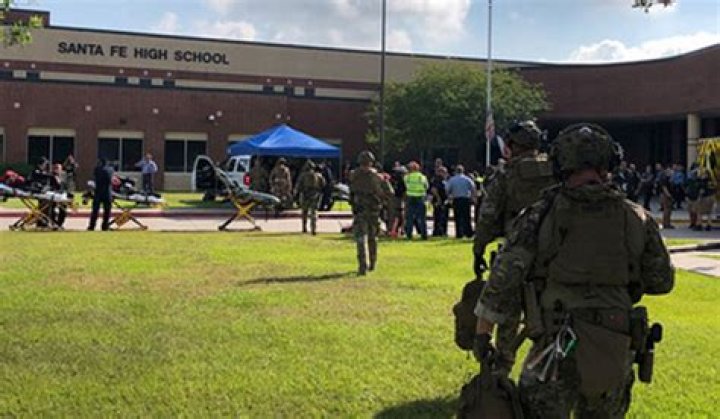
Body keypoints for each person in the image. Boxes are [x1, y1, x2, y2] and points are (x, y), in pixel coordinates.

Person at [473, 123, 674, 418]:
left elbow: (503, 281)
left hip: (555, 345)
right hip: (613, 344)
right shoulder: (636, 218)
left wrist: (483, 335)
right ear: (609, 165)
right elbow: (662, 281)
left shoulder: (540, 215)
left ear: (561, 165)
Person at [473, 120, 556, 372]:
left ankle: (501, 366)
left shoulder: (507, 173)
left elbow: (488, 216)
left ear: (511, 145)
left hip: (517, 251)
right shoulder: (556, 170)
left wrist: (478, 249)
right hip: (555, 255)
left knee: (506, 313)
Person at [349, 151, 387, 275]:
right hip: (373, 210)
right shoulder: (377, 176)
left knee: (360, 238)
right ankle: (372, 262)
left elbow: (351, 191)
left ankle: (362, 266)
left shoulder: (353, 175)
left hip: (360, 210)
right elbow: (388, 192)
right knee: (372, 237)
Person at [295, 160, 326, 235]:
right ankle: (313, 229)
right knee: (314, 212)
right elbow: (323, 184)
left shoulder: (303, 175)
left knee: (304, 212)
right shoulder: (318, 175)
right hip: (315, 195)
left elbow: (298, 186)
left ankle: (304, 228)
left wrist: (297, 193)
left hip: (305, 195)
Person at [445, 165, 476, 239]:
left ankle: (459, 233)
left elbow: (447, 189)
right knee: (467, 217)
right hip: (466, 199)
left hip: (457, 199)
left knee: (458, 217)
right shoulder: (467, 179)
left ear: (456, 171)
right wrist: (473, 197)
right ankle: (468, 233)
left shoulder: (452, 180)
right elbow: (473, 188)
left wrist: (449, 197)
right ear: (463, 171)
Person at [403, 161, 428, 240]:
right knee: (422, 217)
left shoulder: (407, 177)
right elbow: (426, 186)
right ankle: (424, 235)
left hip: (410, 197)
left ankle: (409, 235)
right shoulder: (422, 177)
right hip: (420, 197)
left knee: (409, 217)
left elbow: (406, 185)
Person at [88, 158, 114, 231]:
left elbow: (95, 178)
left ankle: (92, 226)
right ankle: (105, 226)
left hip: (98, 192)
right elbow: (110, 180)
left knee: (95, 210)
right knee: (107, 211)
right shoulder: (110, 170)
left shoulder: (97, 169)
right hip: (107, 192)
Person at [430, 166, 449, 237]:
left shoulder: (445, 180)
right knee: (438, 217)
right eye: (444, 172)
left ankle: (443, 232)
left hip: (444, 201)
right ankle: (438, 232)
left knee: (444, 217)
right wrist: (438, 198)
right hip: (438, 201)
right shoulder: (437, 180)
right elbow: (433, 190)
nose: (446, 174)